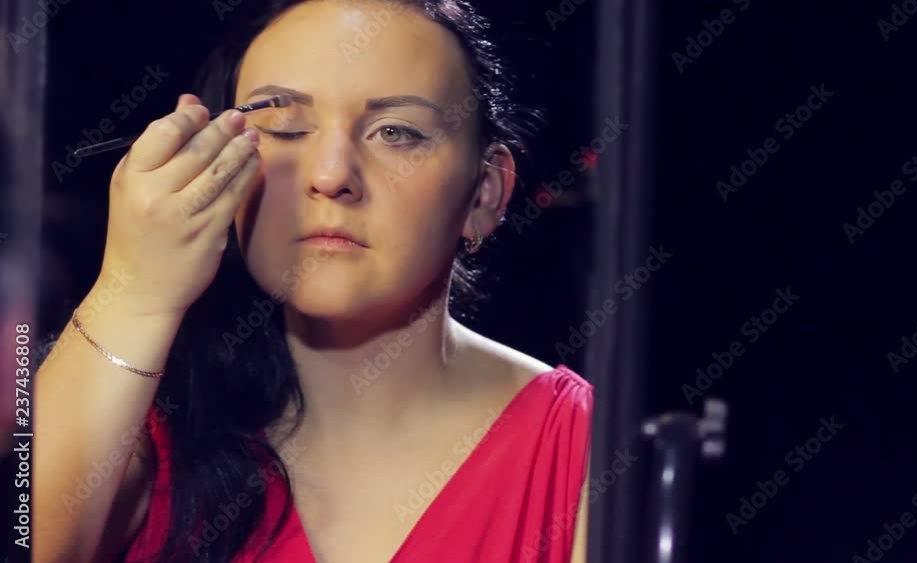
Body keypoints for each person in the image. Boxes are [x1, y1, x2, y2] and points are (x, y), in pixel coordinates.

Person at [36, 1, 593, 561]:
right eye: (286, 128)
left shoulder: (580, 451)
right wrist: (134, 290)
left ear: (485, 194)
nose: (330, 175)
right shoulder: (148, 430)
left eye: (395, 133)